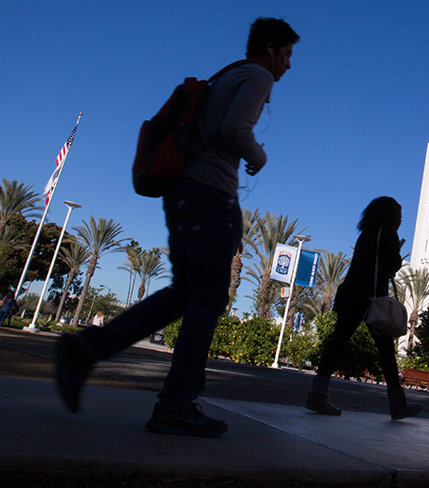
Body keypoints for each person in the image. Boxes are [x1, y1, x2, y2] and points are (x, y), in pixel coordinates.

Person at [56, 17, 300, 437]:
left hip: (183, 191)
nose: (289, 66)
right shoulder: (258, 74)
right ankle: (176, 403)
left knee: (183, 294)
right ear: (272, 49)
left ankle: (86, 349)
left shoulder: (227, 75)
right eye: (288, 55)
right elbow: (235, 129)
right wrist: (258, 156)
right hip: (210, 196)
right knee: (206, 299)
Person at [306, 197, 423, 420]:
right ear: (390, 216)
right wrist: (396, 254)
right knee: (386, 352)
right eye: (399, 216)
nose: (400, 221)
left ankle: (317, 394)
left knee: (337, 344)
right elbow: (391, 266)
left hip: (351, 295)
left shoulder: (366, 233)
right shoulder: (387, 233)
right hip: (371, 301)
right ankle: (397, 405)